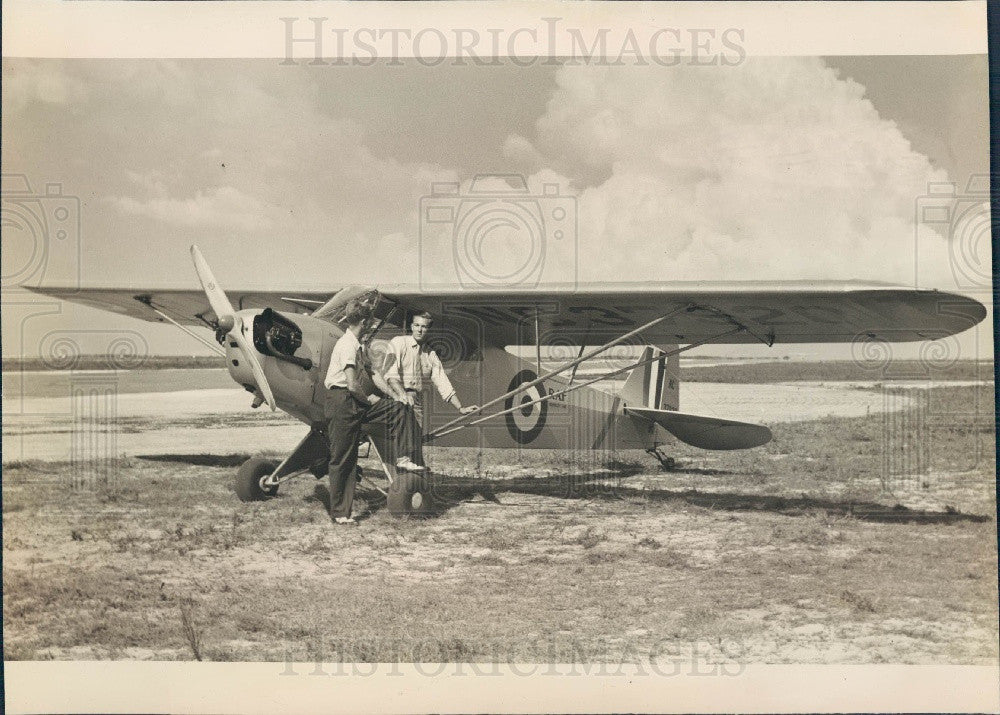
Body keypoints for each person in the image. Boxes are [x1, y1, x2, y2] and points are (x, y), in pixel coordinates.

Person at [324, 300, 425, 525]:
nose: (371, 326)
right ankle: (340, 513)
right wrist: (368, 400)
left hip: (354, 401)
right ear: (363, 322)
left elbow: (373, 374)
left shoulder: (360, 345)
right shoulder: (346, 345)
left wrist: (394, 395)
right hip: (342, 402)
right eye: (370, 322)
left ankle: (404, 457)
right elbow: (351, 384)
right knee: (343, 458)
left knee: (399, 408)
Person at [381, 311, 479, 427]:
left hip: (416, 403)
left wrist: (461, 408)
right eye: (417, 325)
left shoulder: (430, 354)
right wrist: (402, 396)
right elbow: (390, 375)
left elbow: (443, 383)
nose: (419, 330)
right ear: (412, 326)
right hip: (396, 398)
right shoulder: (398, 342)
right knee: (398, 441)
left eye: (424, 326)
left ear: (429, 329)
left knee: (416, 441)